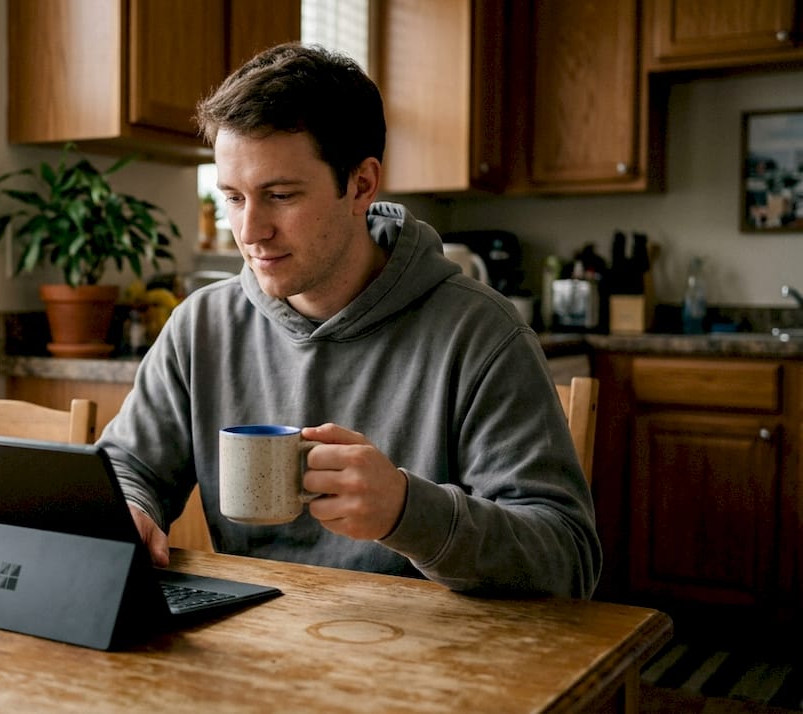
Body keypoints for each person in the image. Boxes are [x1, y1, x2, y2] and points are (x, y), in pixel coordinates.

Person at [98, 43, 601, 599]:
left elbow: (568, 559)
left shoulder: (481, 334)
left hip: (431, 646)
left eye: (280, 195)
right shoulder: (202, 325)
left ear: (361, 185)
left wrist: (408, 512)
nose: (250, 231)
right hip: (251, 639)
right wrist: (131, 507)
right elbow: (127, 466)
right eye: (233, 198)